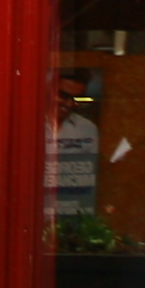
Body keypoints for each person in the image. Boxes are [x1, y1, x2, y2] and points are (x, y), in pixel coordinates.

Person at [47, 70, 102, 222]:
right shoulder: (27, 124)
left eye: (76, 98)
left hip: (71, 212)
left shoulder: (87, 129)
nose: (69, 104)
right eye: (63, 95)